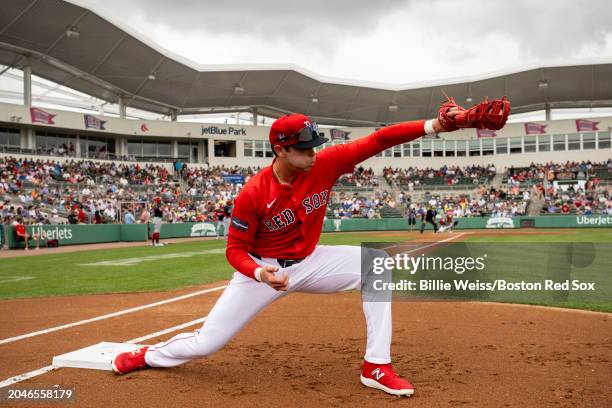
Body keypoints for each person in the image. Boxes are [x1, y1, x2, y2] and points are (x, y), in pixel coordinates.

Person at [112, 108, 468, 396]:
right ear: (280, 150)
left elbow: (378, 139)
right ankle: (150, 354)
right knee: (206, 343)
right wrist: (259, 273)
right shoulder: (253, 193)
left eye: (314, 146)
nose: (313, 153)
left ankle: (377, 365)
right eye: (304, 148)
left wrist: (433, 125)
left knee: (377, 264)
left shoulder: (324, 163)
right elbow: (234, 249)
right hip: (264, 271)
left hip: (311, 261)